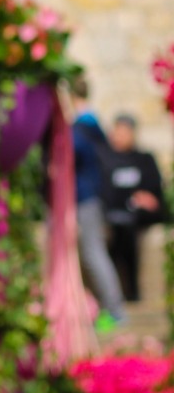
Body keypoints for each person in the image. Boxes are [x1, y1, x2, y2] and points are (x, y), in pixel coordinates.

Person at [71, 87, 128, 332]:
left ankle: (115, 311)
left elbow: (73, 151)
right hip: (90, 198)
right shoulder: (90, 125)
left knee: (93, 253)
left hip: (87, 198)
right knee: (91, 253)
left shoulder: (82, 126)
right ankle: (109, 309)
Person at [100, 112, 166, 304]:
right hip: (116, 214)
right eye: (117, 132)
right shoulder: (106, 159)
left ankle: (132, 290)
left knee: (128, 228)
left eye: (124, 132)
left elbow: (155, 189)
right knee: (118, 230)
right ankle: (118, 290)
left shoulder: (144, 159)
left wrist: (146, 197)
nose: (119, 136)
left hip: (140, 214)